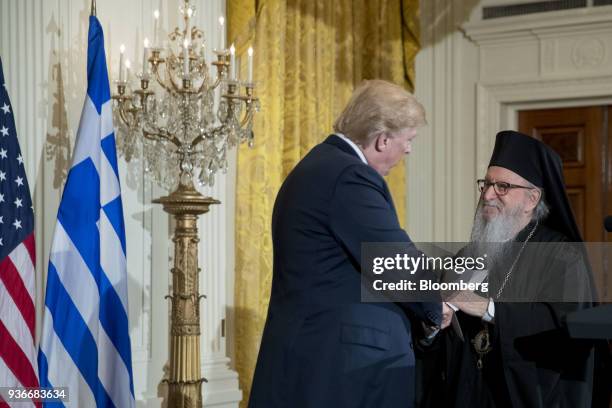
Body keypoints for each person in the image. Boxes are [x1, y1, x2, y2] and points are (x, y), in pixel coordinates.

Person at [248, 79, 450, 408]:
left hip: (319, 359)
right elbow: (396, 261)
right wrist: (436, 306)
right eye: (408, 140)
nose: (409, 150)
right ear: (383, 140)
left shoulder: (320, 166)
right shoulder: (349, 176)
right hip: (343, 369)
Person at [420, 130, 595, 408]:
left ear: (532, 199)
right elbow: (444, 346)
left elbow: (566, 327)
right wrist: (432, 324)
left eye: (503, 186)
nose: (488, 195)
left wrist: (489, 309)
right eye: (486, 184)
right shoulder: (467, 256)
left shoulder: (561, 255)